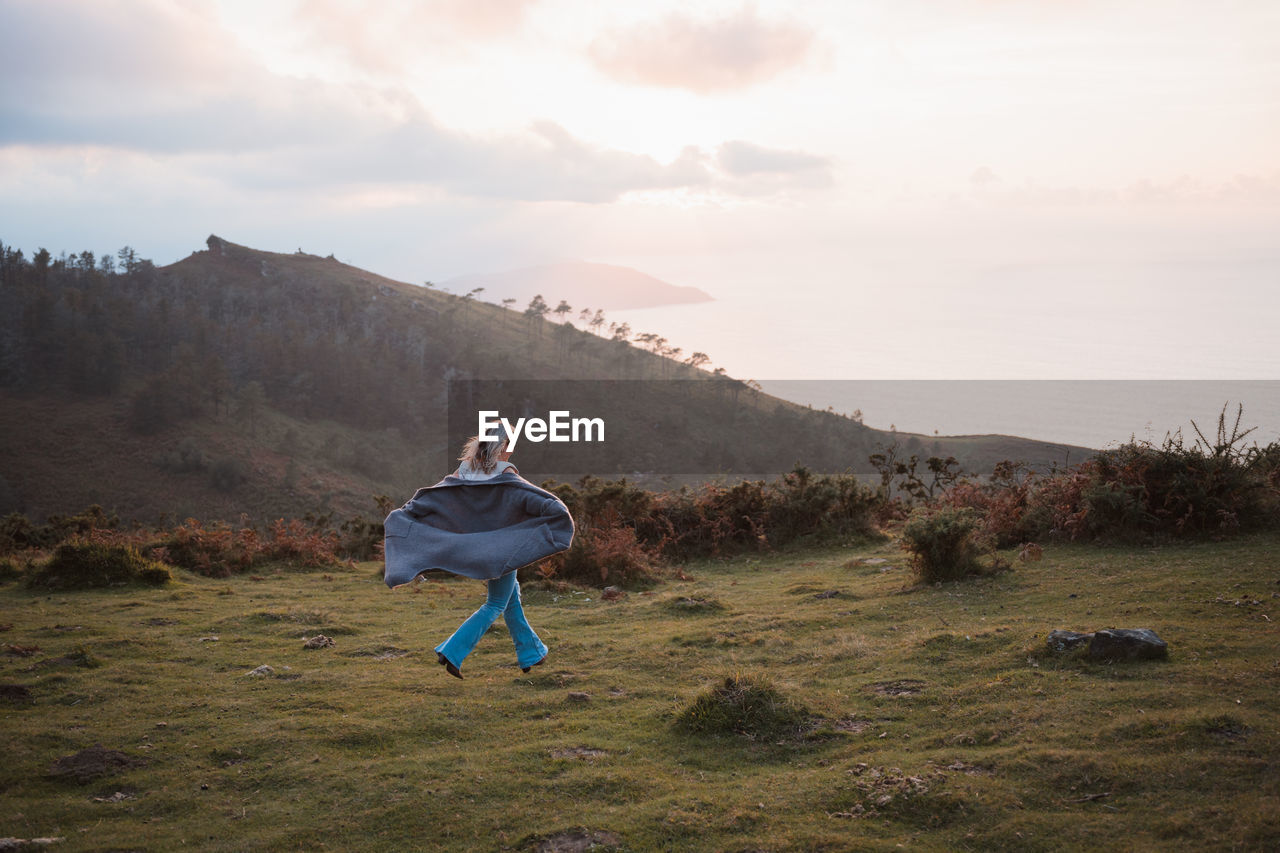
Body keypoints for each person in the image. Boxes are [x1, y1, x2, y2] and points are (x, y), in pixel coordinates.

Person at [382, 423, 574, 680]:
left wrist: (408, 513)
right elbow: (529, 499)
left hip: (476, 548)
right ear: (502, 445)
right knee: (496, 602)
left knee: (511, 598)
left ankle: (532, 653)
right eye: (511, 444)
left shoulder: (463, 470)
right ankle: (452, 651)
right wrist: (557, 513)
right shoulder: (506, 472)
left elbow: (436, 499)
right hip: (500, 550)